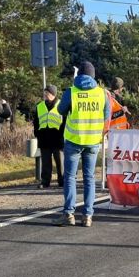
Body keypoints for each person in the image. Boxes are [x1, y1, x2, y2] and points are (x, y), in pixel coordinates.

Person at [49, 61, 108, 227]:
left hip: (74, 141)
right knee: (89, 178)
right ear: (93, 76)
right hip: (93, 142)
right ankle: (88, 216)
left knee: (70, 178)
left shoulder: (71, 92)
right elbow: (107, 115)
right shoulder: (102, 94)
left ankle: (69, 214)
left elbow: (60, 110)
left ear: (79, 75)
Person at [34, 85, 64, 189]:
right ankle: (45, 181)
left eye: (47, 93)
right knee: (46, 163)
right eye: (44, 93)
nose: (45, 95)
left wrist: (63, 136)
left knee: (60, 162)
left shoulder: (61, 105)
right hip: (44, 138)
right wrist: (37, 134)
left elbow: (64, 122)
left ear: (53, 94)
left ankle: (62, 181)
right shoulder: (39, 106)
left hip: (57, 138)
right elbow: (36, 122)